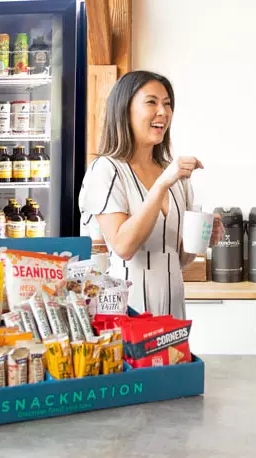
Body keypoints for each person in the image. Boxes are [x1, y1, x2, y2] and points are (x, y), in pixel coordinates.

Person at [79, 70, 224, 320]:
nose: (163, 112)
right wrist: (161, 185)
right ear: (125, 110)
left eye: (167, 104)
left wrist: (203, 238)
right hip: (127, 315)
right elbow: (123, 246)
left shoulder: (175, 175)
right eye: (152, 102)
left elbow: (179, 257)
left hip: (173, 313)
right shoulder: (106, 170)